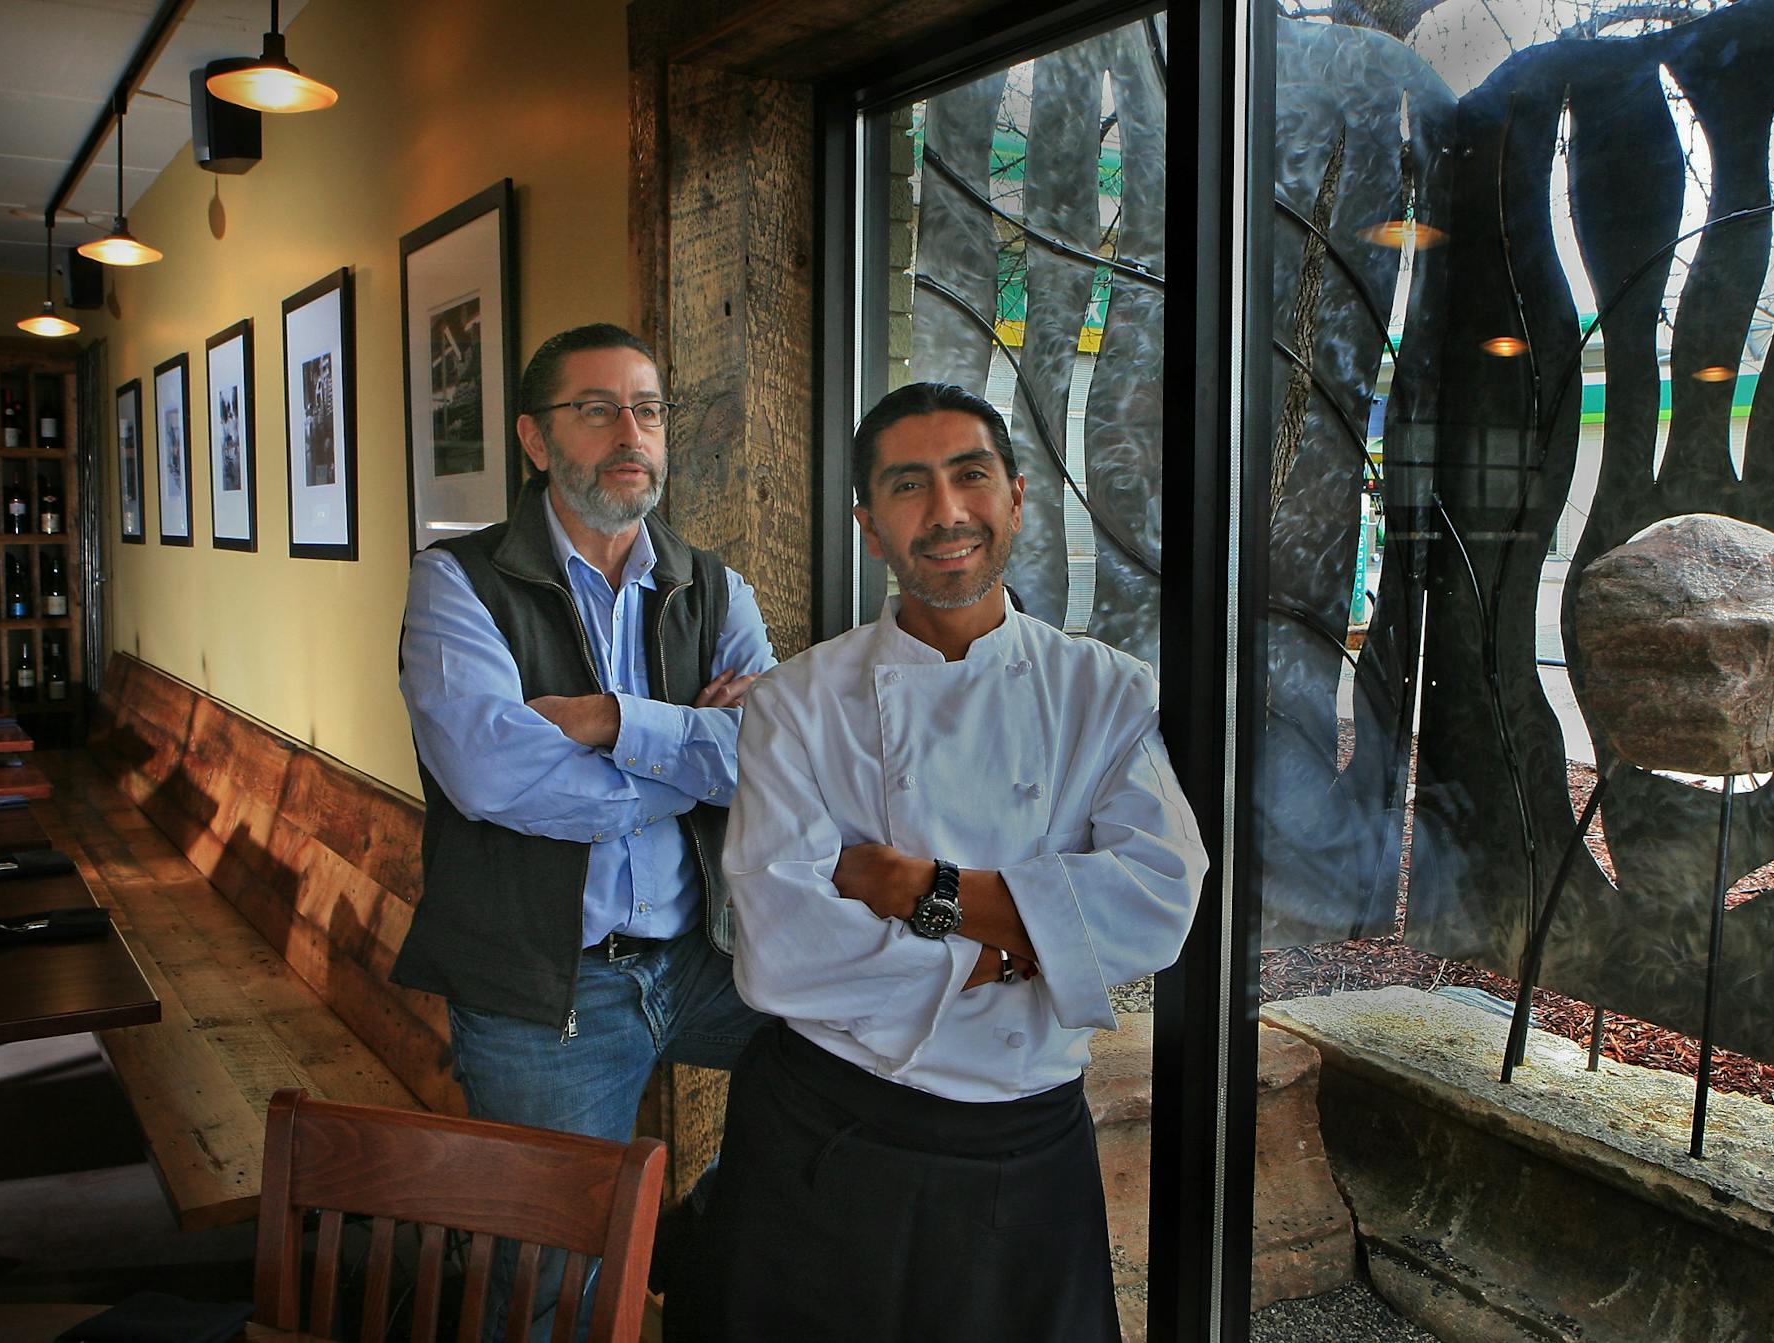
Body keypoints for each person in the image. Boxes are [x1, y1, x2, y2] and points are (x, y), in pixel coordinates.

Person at [666, 383, 1207, 1341]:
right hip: (828, 1136)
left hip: (1024, 1143)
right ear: (871, 527)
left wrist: (920, 889)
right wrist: (1008, 948)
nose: (948, 511)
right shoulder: (798, 702)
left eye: (971, 477)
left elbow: (1159, 900)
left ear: (1016, 498)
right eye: (910, 487)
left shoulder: (1105, 691)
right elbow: (782, 951)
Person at [392, 322, 776, 1337]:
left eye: (647, 409)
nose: (630, 432)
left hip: (707, 960)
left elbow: (779, 759)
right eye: (597, 408)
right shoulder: (456, 585)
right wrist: (696, 753)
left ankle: (693, 1239)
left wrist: (616, 722)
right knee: (549, 1293)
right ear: (534, 437)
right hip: (545, 986)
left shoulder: (711, 583)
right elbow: (498, 778)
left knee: (863, 1052)